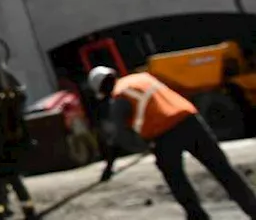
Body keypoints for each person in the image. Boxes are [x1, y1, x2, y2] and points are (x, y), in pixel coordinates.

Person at [89, 66, 256, 220]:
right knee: (223, 169)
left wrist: (143, 146)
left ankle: (198, 217)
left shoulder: (119, 97)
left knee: (177, 180)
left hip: (164, 136)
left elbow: (121, 135)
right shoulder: (142, 78)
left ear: (102, 90)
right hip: (191, 121)